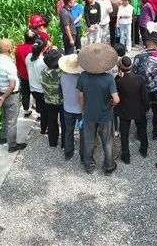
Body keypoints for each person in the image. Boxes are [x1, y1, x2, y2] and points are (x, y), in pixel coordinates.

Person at [77, 43, 120, 175]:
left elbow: (81, 97)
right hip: (105, 115)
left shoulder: (83, 76)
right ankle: (108, 166)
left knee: (89, 140)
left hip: (89, 113)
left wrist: (83, 109)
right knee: (107, 141)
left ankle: (89, 165)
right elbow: (117, 99)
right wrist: (111, 104)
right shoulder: (109, 79)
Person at [115, 56, 149, 164]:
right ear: (131, 66)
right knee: (142, 131)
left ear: (120, 67)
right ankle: (144, 150)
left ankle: (126, 156)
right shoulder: (139, 78)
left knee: (124, 134)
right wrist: (146, 107)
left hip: (124, 110)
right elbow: (145, 96)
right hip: (139, 109)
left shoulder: (119, 81)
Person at [132, 32, 157, 140]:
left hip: (142, 89)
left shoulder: (138, 57)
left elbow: (134, 73)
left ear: (147, 43)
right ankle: (156, 133)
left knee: (142, 112)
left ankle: (141, 133)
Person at [58, 54, 84, 160]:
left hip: (67, 108)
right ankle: (83, 154)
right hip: (80, 109)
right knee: (83, 133)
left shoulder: (62, 77)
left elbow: (60, 92)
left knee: (69, 131)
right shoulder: (82, 78)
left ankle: (68, 153)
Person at [26, 38, 49, 136]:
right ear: (43, 49)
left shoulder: (28, 57)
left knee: (41, 107)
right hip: (42, 89)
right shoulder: (43, 62)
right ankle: (44, 129)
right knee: (45, 110)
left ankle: (43, 125)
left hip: (33, 88)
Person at [41, 49, 63, 148]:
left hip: (49, 101)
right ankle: (64, 143)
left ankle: (53, 142)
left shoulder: (43, 72)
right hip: (62, 101)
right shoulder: (61, 73)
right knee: (64, 122)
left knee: (52, 121)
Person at [15, 30, 36, 117]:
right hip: (33, 74)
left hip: (23, 75)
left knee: (25, 93)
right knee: (36, 92)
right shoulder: (35, 48)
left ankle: (26, 110)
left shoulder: (19, 48)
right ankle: (37, 108)